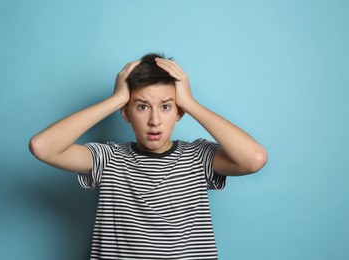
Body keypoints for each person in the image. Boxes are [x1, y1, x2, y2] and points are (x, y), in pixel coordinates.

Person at [29, 53, 268, 259]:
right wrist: (115, 99)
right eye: (142, 106)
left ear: (179, 112)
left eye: (166, 107)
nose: (154, 121)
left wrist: (190, 103)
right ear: (126, 112)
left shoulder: (198, 157)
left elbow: (254, 158)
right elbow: (43, 147)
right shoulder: (109, 158)